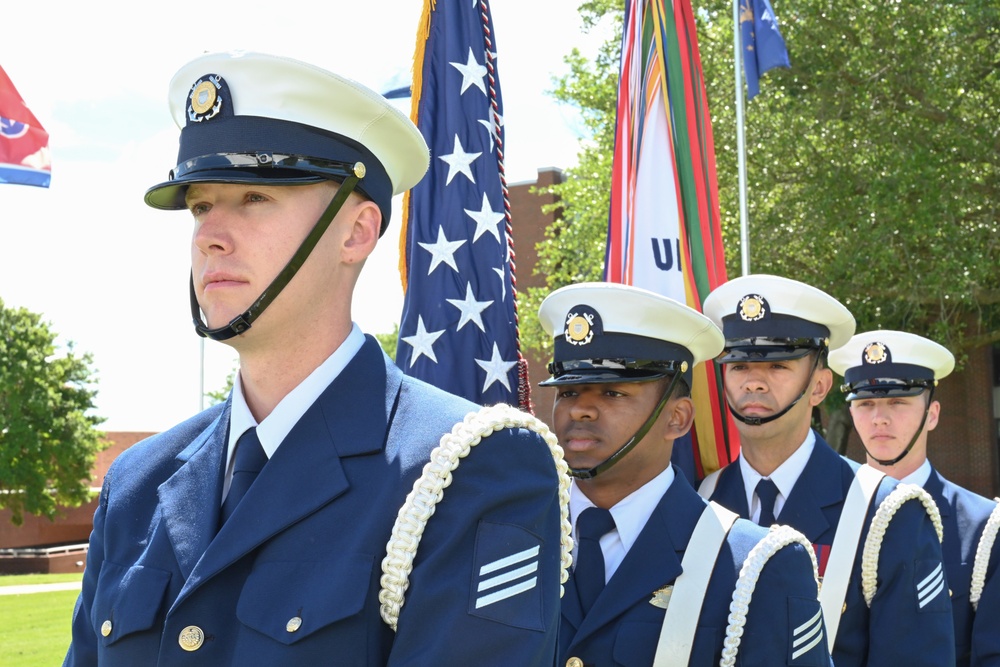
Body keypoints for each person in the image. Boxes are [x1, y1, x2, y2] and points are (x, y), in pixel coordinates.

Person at [63, 51, 566, 666]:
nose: (208, 235)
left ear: (355, 232)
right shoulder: (138, 481)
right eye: (200, 205)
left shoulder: (474, 470)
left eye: (253, 196)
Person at [540, 282, 832, 667]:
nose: (580, 411)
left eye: (614, 393)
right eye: (569, 392)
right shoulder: (513, 537)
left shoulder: (756, 565)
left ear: (677, 419)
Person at [699, 274, 955, 666]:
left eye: (778, 366)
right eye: (738, 366)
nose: (753, 381)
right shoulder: (701, 499)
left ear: (819, 387)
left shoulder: (888, 512)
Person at [829, 329, 1000, 666]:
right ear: (851, 414)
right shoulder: (826, 512)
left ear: (932, 414)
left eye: (897, 401)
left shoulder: (983, 529)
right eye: (865, 403)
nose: (880, 417)